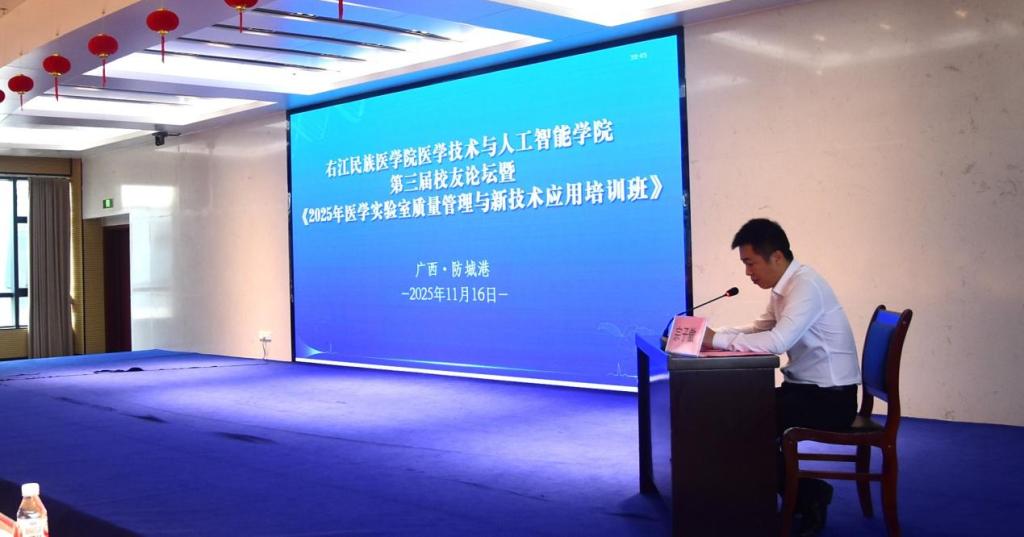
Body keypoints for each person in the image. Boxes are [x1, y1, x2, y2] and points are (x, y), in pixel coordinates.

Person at [701, 218, 860, 537]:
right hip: (804, 391)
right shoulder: (785, 288)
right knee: (735, 417)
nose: (747, 273)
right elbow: (761, 327)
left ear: (776, 256)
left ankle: (809, 495)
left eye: (750, 263)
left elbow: (777, 341)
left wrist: (715, 340)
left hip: (830, 400)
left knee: (740, 426)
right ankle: (792, 494)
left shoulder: (806, 287)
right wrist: (715, 334)